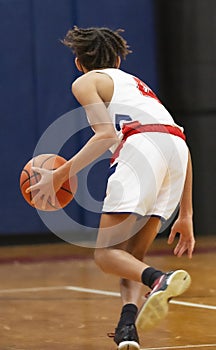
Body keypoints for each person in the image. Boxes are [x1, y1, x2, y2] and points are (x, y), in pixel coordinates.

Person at [26, 26, 195, 350]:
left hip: (142, 146)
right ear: (118, 59)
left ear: (79, 63)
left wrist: (59, 174)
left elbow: (104, 134)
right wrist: (185, 214)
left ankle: (160, 279)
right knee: (131, 258)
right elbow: (181, 143)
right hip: (176, 151)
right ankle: (127, 328)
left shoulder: (86, 80)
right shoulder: (137, 86)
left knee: (106, 255)